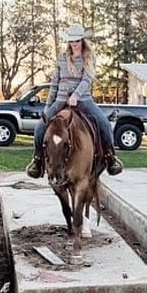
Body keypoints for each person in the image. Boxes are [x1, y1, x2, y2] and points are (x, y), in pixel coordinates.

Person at [26, 24, 124, 178]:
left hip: (83, 99)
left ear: (82, 40)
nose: (75, 44)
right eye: (72, 41)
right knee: (40, 127)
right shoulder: (62, 58)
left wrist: (76, 96)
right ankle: (37, 160)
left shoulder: (88, 57)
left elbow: (87, 80)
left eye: (77, 41)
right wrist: (48, 106)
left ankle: (111, 158)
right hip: (60, 99)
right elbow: (55, 83)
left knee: (104, 123)